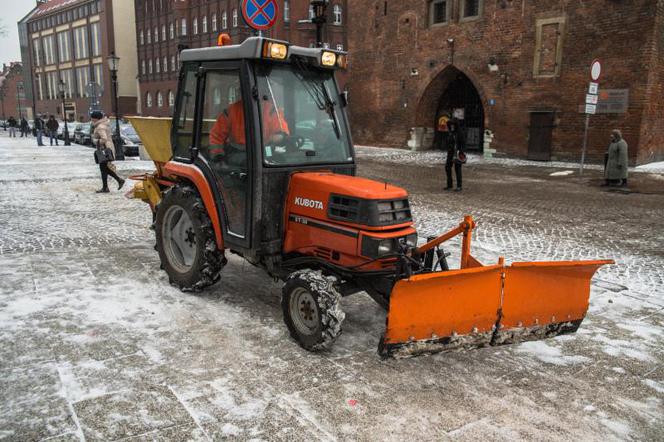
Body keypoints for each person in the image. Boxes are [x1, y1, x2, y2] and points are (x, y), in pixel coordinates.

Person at [91, 110, 125, 193]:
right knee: (104, 168)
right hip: (107, 148)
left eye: (92, 118)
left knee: (104, 168)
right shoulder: (104, 124)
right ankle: (106, 187)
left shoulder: (100, 127)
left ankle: (118, 180)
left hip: (104, 149)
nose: (91, 120)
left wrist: (95, 140)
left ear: (95, 118)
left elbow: (104, 138)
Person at [444, 119, 465, 192]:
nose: (452, 127)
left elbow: (462, 143)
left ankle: (459, 186)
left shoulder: (459, 133)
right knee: (447, 168)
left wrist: (461, 151)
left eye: (453, 125)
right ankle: (449, 185)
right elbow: (448, 142)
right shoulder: (450, 133)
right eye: (451, 125)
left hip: (457, 152)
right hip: (450, 152)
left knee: (457, 169)